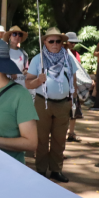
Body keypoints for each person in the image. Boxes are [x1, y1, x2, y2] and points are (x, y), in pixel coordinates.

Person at [25, 27, 77, 183]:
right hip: (43, 102)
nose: (55, 44)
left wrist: (71, 98)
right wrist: (38, 81)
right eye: (51, 41)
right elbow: (28, 83)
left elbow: (73, 79)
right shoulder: (38, 59)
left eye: (58, 41)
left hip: (63, 103)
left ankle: (56, 170)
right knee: (41, 138)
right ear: (45, 42)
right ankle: (40, 170)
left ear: (62, 42)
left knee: (59, 139)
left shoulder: (68, 58)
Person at [65, 32, 91, 142]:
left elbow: (78, 71)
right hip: (63, 86)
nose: (73, 44)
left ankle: (71, 133)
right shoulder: (61, 52)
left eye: (75, 42)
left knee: (73, 112)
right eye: (71, 42)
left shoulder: (75, 54)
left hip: (73, 85)